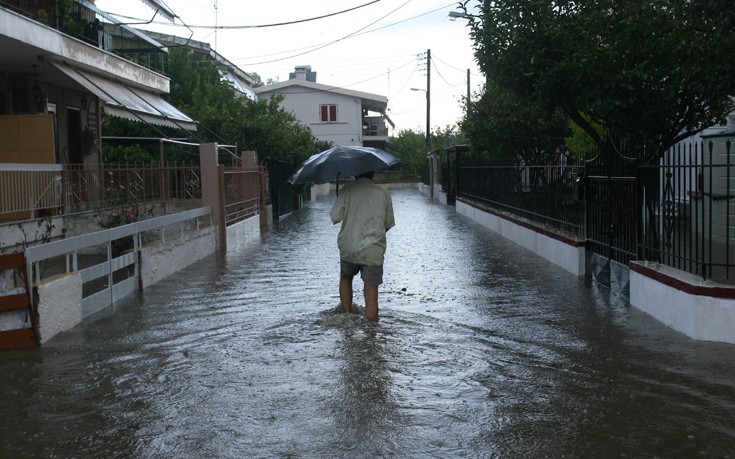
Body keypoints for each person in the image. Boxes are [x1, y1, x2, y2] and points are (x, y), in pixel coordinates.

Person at [330, 170, 395, 320]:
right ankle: (370, 332)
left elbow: (335, 217)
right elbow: (389, 223)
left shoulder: (347, 190)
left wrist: (341, 199)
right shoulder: (383, 192)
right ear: (373, 174)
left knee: (346, 278)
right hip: (373, 250)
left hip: (349, 247)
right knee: (371, 291)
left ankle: (346, 317)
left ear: (355, 173)